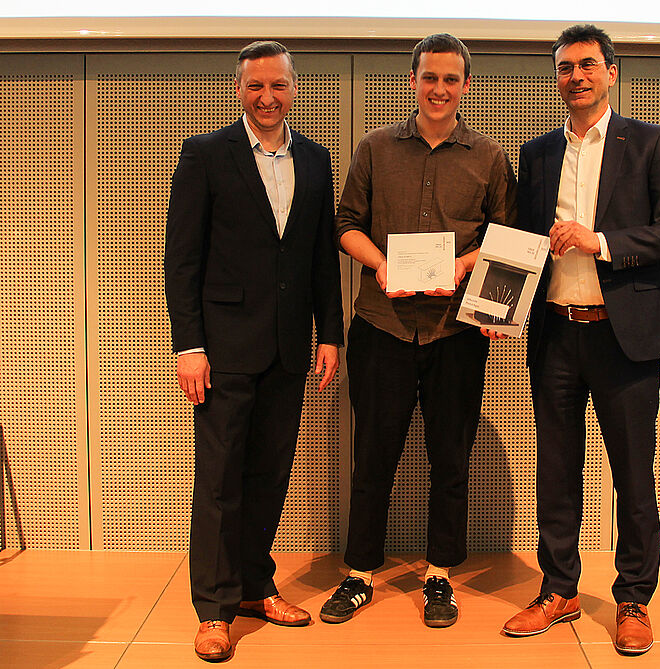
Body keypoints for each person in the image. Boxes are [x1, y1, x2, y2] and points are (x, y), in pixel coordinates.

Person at [495, 25, 660, 655]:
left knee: (633, 474)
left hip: (623, 338)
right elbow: (522, 243)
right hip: (556, 335)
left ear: (612, 72)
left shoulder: (650, 144)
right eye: (564, 68)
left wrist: (600, 241)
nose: (575, 76)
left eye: (587, 65)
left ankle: (634, 598)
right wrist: (497, 306)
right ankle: (559, 590)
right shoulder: (536, 153)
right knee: (556, 471)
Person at [319, 33, 516, 629]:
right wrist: (380, 265)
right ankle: (359, 575)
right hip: (383, 326)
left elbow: (506, 242)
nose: (439, 89)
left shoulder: (489, 157)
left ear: (466, 85)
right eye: (430, 77)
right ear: (412, 80)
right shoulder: (376, 148)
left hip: (454, 333)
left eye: (451, 79)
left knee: (450, 459)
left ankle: (439, 576)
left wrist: (465, 267)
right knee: (373, 457)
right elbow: (345, 225)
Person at [164, 40, 344, 662]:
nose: (267, 98)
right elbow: (182, 258)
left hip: (290, 347)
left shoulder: (317, 161)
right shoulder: (207, 154)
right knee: (218, 481)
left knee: (270, 474)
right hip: (222, 348)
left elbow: (322, 257)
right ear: (238, 90)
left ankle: (252, 585)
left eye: (278, 86)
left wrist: (331, 333)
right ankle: (214, 608)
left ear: (294, 89)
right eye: (254, 87)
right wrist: (188, 344)